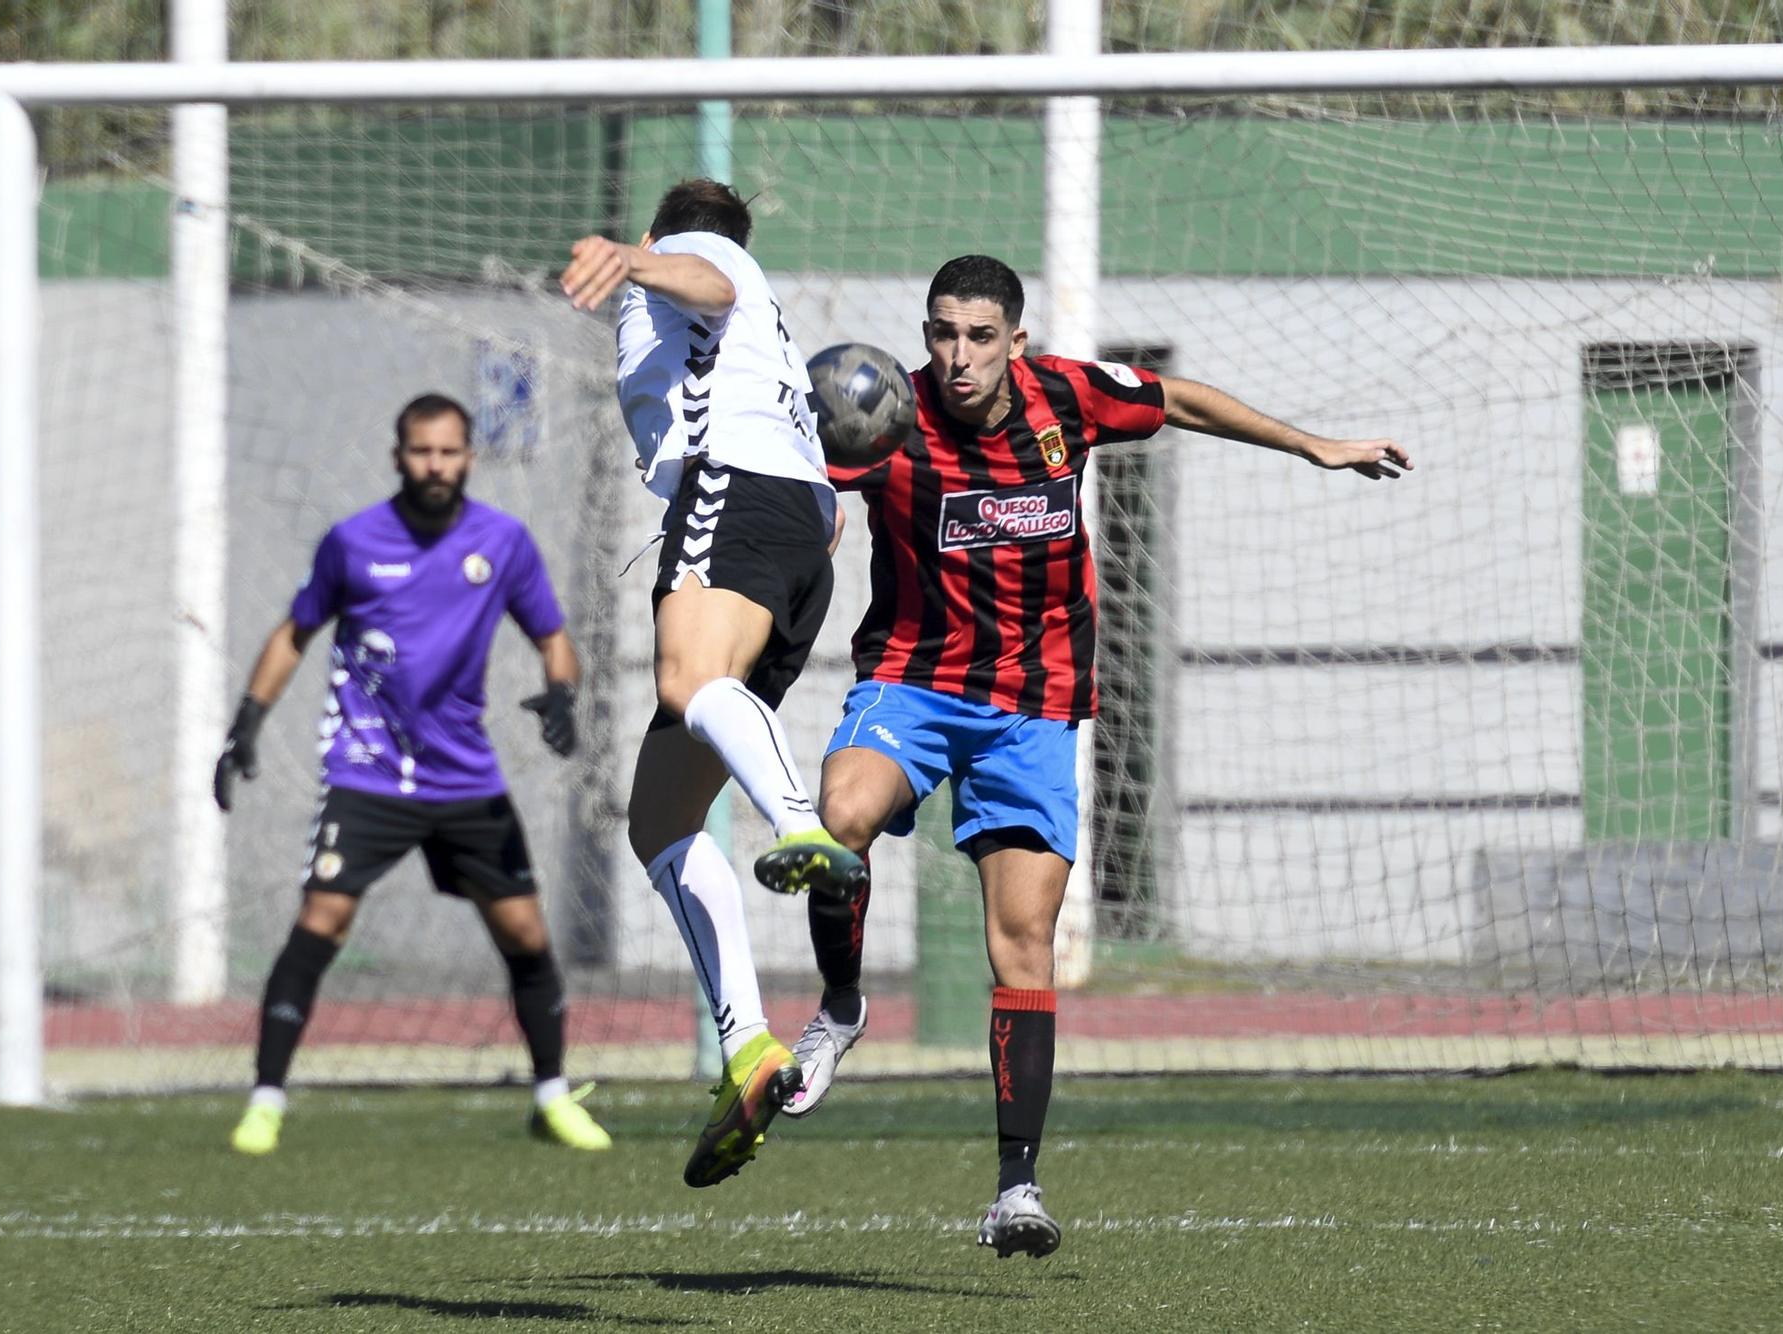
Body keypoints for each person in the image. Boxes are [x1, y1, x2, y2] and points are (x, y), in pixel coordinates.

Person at [787, 255, 1412, 1256]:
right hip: (912, 681)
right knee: (838, 820)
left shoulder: (1065, 398)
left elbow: (1176, 401)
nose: (957, 355)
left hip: (1033, 703)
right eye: (941, 332)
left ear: (1015, 341)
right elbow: (811, 501)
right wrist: (793, 544)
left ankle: (1015, 1188)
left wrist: (1310, 446)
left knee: (1022, 943)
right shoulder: (886, 416)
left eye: (979, 335)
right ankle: (840, 1006)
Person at [559, 179, 866, 1188]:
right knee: (659, 817)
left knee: (689, 678)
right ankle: (746, 1044)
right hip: (791, 528)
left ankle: (800, 823)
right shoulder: (761, 335)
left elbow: (709, 282)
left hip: (726, 493)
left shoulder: (701, 257)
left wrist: (638, 255)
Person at [215, 392, 610, 1157]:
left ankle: (551, 1096)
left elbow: (554, 638)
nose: (435, 465)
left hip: (464, 778)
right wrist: (246, 723)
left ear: (469, 456)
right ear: (398, 456)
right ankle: (265, 1100)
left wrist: (564, 695)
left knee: (525, 931)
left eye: (449, 451)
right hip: (366, 774)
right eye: (421, 451)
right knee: (322, 920)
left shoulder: (503, 543)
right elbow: (293, 634)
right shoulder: (352, 543)